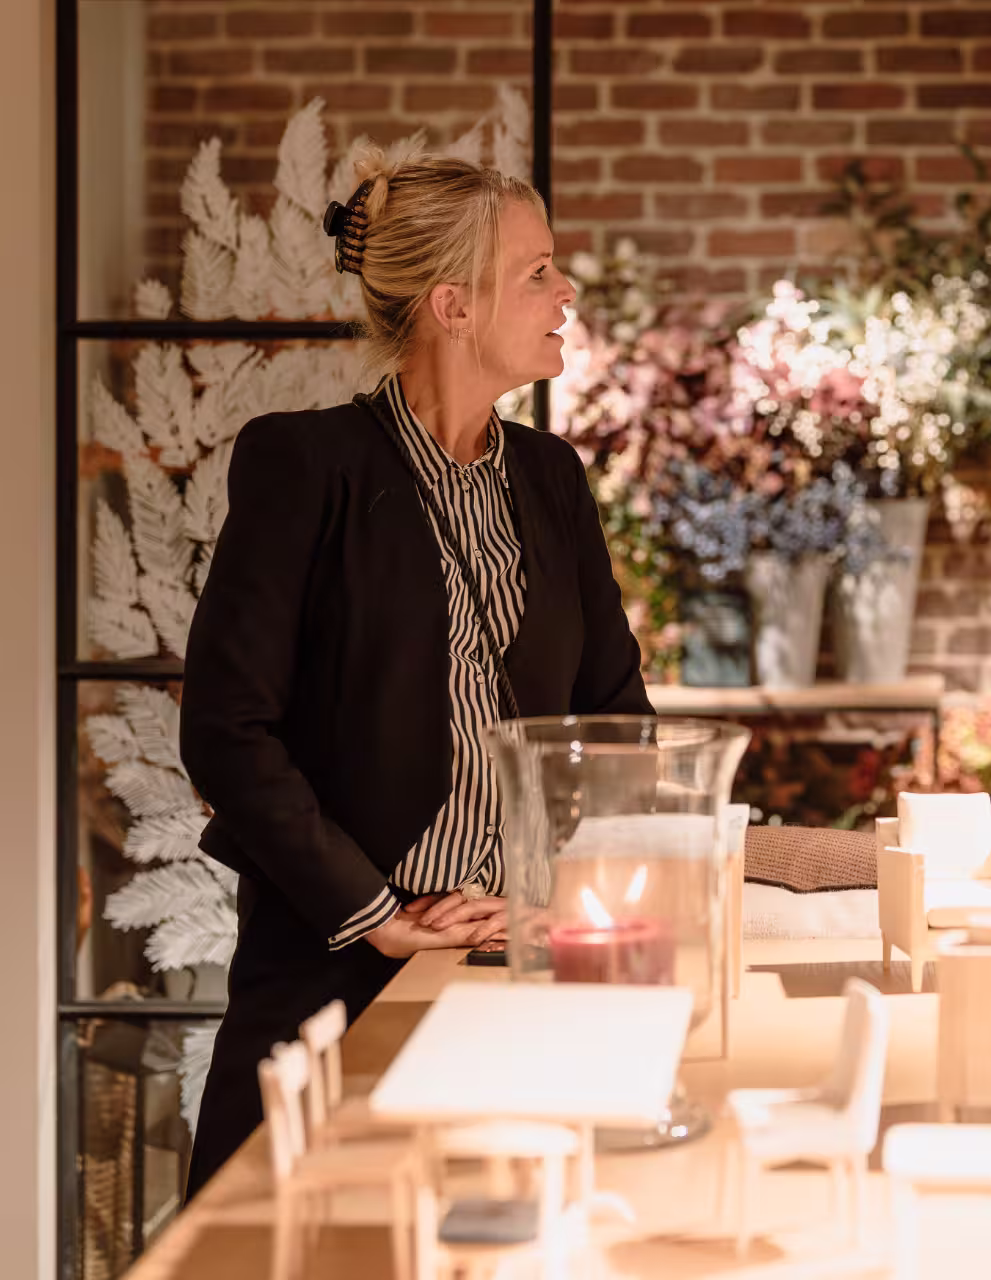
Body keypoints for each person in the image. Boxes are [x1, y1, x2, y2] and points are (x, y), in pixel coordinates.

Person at [179, 144, 653, 1195]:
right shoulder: (303, 465)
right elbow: (226, 728)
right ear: (451, 304)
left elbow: (616, 714)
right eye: (536, 272)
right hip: (331, 977)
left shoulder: (552, 474)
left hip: (516, 965)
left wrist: (556, 895)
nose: (565, 290)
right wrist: (379, 910)